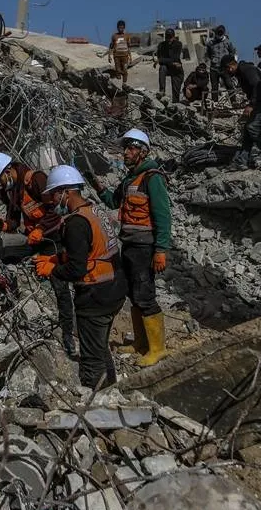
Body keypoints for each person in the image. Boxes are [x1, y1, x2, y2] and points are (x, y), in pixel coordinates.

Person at [33, 166, 126, 389]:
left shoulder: (75, 223)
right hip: (115, 288)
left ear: (66, 191)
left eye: (55, 193)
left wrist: (52, 270)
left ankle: (97, 401)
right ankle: (112, 389)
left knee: (91, 357)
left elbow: (77, 269)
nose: (53, 200)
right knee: (100, 347)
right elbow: (92, 249)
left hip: (96, 296)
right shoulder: (94, 212)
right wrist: (59, 258)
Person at [88, 129, 171, 367]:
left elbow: (163, 216)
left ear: (142, 151)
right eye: (125, 148)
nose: (126, 152)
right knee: (134, 294)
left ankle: (158, 349)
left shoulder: (151, 178)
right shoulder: (129, 180)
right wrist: (99, 187)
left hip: (145, 247)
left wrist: (161, 250)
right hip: (131, 246)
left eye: (131, 148)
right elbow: (114, 203)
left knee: (145, 295)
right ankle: (142, 344)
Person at [0, 153, 76, 357]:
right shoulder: (12, 190)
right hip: (33, 239)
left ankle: (68, 334)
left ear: (8, 171)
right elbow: (16, 221)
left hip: (52, 239)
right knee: (3, 254)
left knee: (59, 284)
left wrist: (41, 230)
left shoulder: (35, 180)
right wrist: (4, 225)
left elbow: (57, 209)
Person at [222, 57, 261, 168]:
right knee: (248, 128)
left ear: (231, 66)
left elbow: (257, 85)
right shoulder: (241, 72)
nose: (227, 73)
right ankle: (242, 160)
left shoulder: (245, 69)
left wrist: (251, 105)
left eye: (227, 70)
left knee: (252, 127)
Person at [204, 25, 236, 102]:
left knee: (229, 85)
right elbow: (208, 54)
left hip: (225, 68)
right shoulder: (210, 43)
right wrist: (211, 61)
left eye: (221, 33)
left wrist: (229, 63)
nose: (220, 34)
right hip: (214, 68)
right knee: (214, 87)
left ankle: (234, 102)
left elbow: (232, 53)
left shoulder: (228, 42)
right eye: (218, 33)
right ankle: (214, 103)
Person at [156, 28, 184, 103]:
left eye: (170, 37)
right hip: (168, 67)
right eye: (167, 37)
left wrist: (164, 60)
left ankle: (176, 104)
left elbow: (175, 58)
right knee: (162, 68)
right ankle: (162, 91)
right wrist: (170, 62)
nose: (169, 39)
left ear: (174, 37)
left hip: (176, 70)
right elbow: (160, 59)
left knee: (176, 93)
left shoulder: (178, 44)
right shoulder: (161, 45)